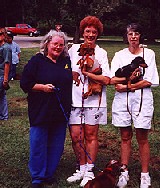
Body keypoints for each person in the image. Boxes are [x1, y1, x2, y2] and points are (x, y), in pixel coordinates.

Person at [20, 30, 72, 188]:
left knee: (56, 144)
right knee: (38, 143)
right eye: (55, 44)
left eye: (61, 45)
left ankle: (49, 173)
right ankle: (37, 176)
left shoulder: (66, 61)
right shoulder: (37, 60)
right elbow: (25, 83)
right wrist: (42, 87)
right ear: (47, 44)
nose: (58, 47)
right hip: (41, 110)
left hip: (60, 110)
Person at [110, 23, 159, 188]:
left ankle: (145, 175)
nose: (133, 37)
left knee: (142, 138)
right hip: (123, 101)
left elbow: (149, 80)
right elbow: (114, 80)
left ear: (140, 36)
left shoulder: (149, 54)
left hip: (143, 101)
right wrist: (126, 84)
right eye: (130, 34)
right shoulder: (119, 55)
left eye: (136, 34)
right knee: (125, 137)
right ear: (126, 36)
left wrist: (128, 86)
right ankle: (124, 172)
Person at [67, 16, 110, 187]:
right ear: (82, 32)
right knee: (76, 136)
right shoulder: (73, 49)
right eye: (87, 31)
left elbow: (106, 78)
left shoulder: (102, 53)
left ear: (97, 34)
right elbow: (67, 70)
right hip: (75, 99)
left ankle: (90, 170)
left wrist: (90, 74)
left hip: (94, 101)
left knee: (91, 135)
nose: (90, 34)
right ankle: (81, 168)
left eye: (94, 32)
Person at [0, 27, 12, 120]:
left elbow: (7, 64)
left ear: (4, 35)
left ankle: (4, 115)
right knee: (2, 96)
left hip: (1, 75)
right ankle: (4, 115)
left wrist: (5, 79)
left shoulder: (6, 48)